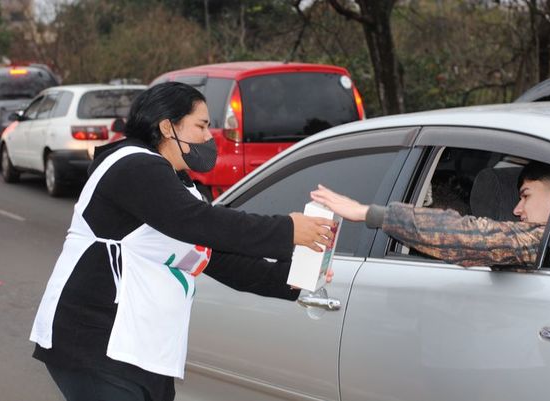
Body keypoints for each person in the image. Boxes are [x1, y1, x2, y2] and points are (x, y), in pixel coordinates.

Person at [30, 82, 335, 401]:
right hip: (95, 342)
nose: (208, 137)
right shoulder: (131, 164)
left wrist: (297, 279)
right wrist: (288, 230)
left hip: (143, 352)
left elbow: (216, 258)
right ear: (167, 126)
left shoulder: (179, 185)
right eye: (201, 126)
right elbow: (201, 222)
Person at [310, 161, 550, 267]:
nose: (516, 209)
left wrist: (368, 213)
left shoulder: (540, 240)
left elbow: (464, 234)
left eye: (526, 195)